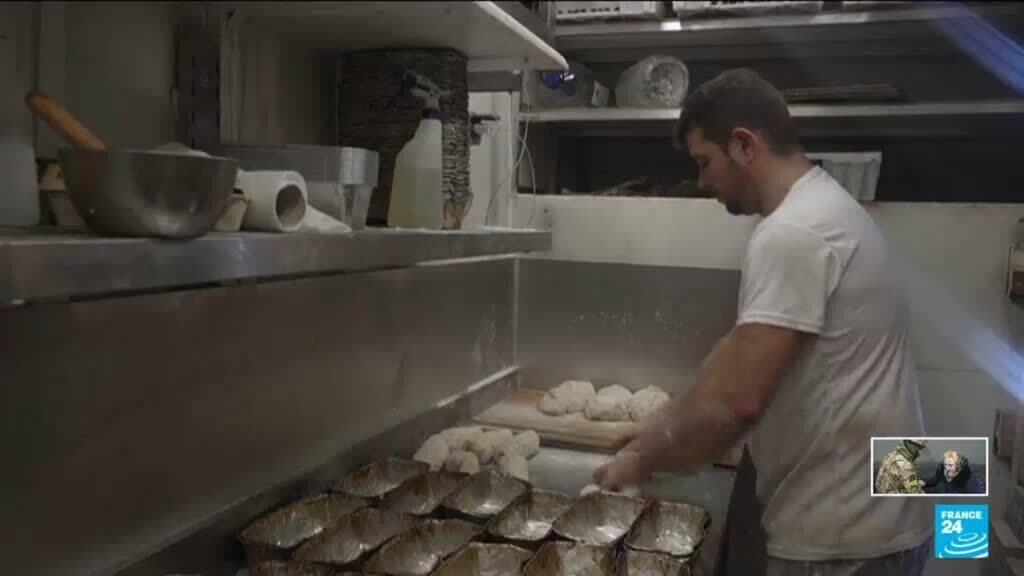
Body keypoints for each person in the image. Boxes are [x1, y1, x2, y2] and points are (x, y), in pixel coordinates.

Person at [593, 69, 932, 574]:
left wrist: (641, 462)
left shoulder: (794, 233)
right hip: (887, 514)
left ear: (744, 145)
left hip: (843, 542)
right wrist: (660, 426)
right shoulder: (829, 208)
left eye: (705, 162)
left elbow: (738, 402)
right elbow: (737, 351)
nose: (703, 182)